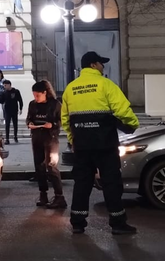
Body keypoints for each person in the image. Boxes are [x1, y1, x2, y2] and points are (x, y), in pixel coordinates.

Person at [61, 51, 140, 236]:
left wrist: (73, 140)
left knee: (82, 183)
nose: (103, 66)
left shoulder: (71, 89)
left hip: (82, 146)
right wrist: (133, 124)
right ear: (94, 65)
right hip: (105, 144)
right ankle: (118, 223)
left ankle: (78, 222)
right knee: (111, 183)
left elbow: (65, 119)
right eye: (101, 63)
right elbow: (122, 110)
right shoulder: (106, 85)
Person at [27, 80, 66, 209]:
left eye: (38, 95)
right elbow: (29, 118)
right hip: (37, 137)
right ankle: (43, 194)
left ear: (45, 93)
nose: (36, 98)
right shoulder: (32, 105)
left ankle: (59, 196)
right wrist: (29, 124)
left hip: (50, 138)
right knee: (39, 167)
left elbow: (62, 120)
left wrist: (53, 125)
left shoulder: (55, 104)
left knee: (51, 166)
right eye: (34, 95)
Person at [0, 79, 24, 144]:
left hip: (14, 110)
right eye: (4, 85)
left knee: (15, 124)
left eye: (5, 85)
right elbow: (1, 101)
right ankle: (7, 139)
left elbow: (20, 100)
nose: (4, 86)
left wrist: (21, 108)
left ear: (9, 85)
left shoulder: (16, 91)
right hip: (7, 110)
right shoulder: (4, 92)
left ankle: (15, 136)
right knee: (7, 125)